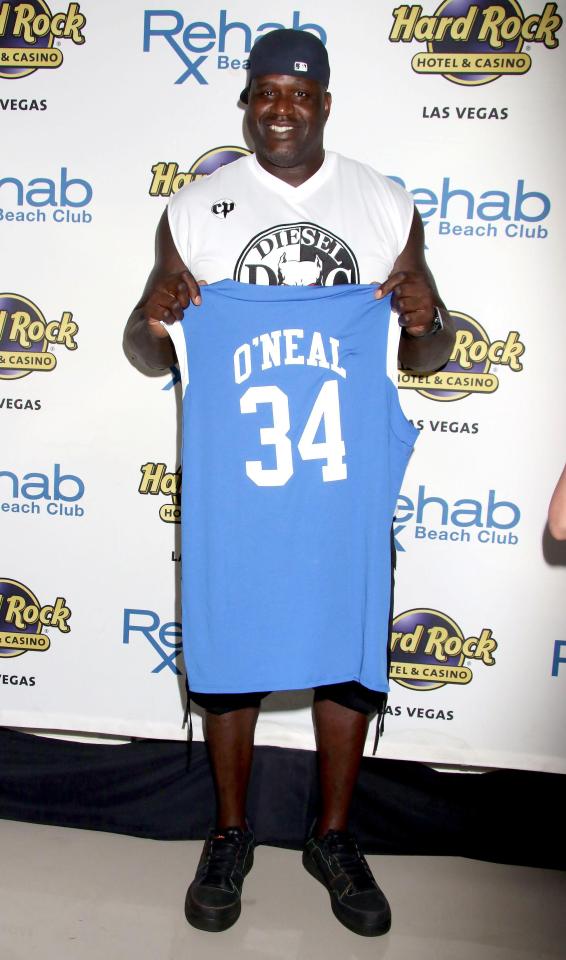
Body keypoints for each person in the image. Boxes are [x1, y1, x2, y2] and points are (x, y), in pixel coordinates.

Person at [124, 29, 455, 937]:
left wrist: (430, 316)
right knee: (231, 646)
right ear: (246, 101)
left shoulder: (386, 204)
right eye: (265, 92)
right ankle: (230, 831)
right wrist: (154, 318)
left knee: (348, 650)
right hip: (242, 482)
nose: (281, 108)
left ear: (325, 104)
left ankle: (333, 836)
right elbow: (145, 347)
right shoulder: (195, 209)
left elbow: (427, 352)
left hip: (343, 479)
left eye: (299, 94)